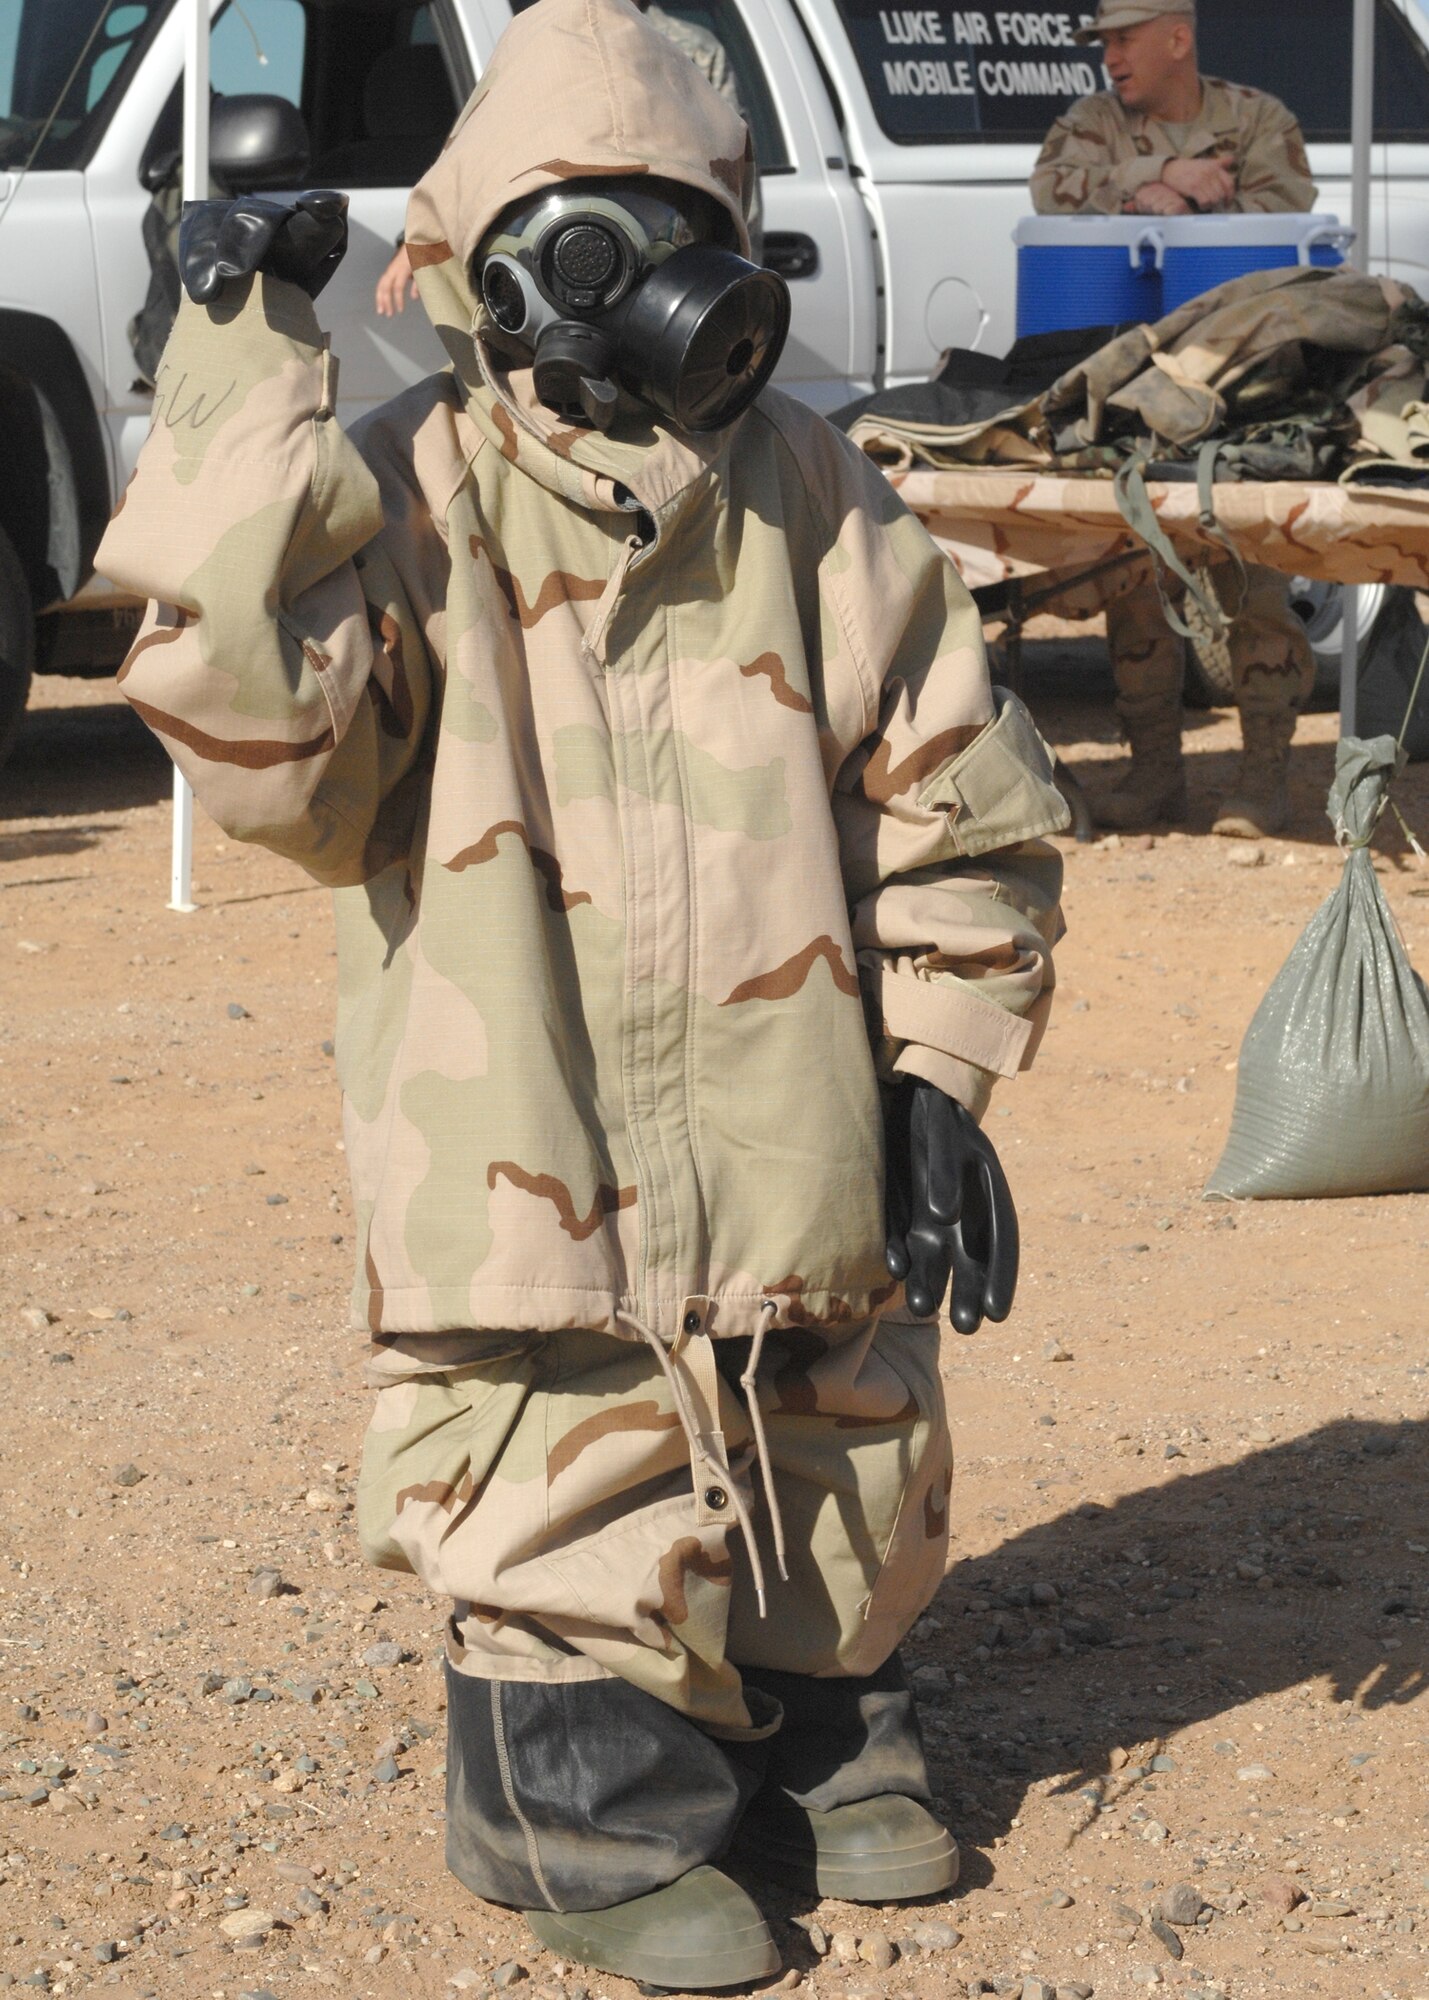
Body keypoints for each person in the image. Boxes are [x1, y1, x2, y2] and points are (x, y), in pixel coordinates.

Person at [98, 0, 1068, 1984]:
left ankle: (819, 1715)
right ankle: (576, 1799)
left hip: (786, 1108)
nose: (633, 290)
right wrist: (231, 374)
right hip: (520, 1131)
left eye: (670, 223)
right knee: (555, 1427)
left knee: (840, 1386)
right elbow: (258, 747)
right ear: (480, 260)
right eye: (579, 236)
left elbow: (959, 796)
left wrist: (938, 1068)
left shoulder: (813, 491)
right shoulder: (403, 487)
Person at [1031, 0, 1316, 836]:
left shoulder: (1258, 119)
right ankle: (1155, 775)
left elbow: (1283, 220)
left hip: (1237, 381)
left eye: (1121, 39)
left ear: (1175, 38)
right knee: (1132, 574)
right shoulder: (1092, 122)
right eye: (1103, 43)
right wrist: (1149, 184)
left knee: (1252, 567)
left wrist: (1179, 206)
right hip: (1127, 385)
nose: (1109, 58)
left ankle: (1261, 779)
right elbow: (1050, 191)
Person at [375, 0, 762, 315]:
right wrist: (428, 241)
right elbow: (490, 161)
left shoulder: (689, 50)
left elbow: (727, 181)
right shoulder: (538, 45)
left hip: (665, 274)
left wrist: (733, 284)